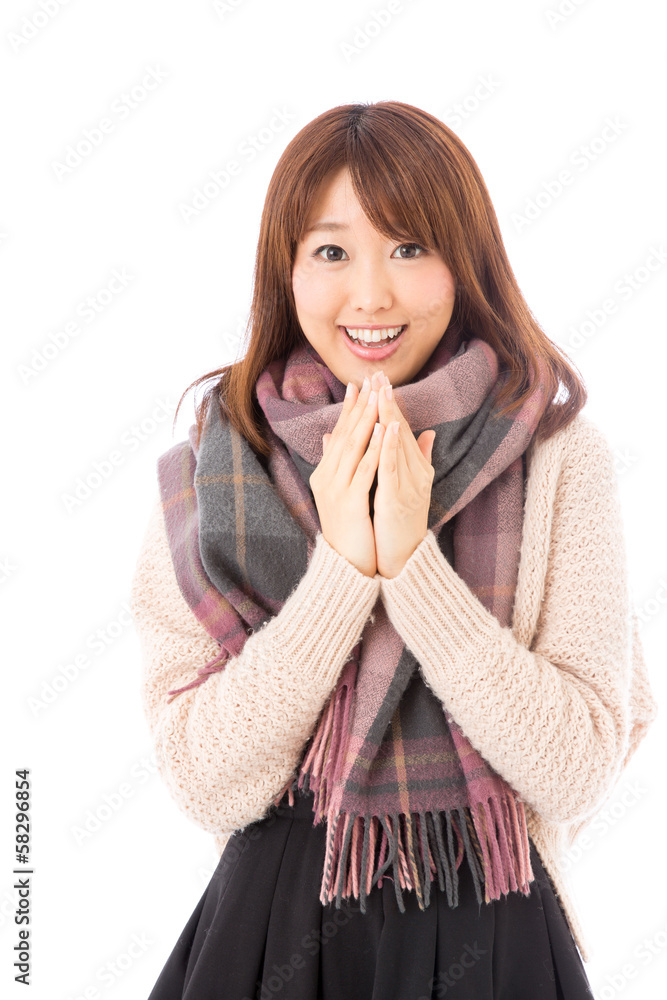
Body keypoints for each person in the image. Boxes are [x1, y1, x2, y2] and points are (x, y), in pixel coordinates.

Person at [130, 101, 657, 999]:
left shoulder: (558, 454)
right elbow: (204, 780)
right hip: (271, 932)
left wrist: (411, 565)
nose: (370, 295)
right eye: (330, 252)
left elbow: (572, 766)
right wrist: (342, 569)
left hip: (494, 921)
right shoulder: (222, 464)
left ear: (465, 260)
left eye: (410, 247)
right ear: (286, 270)